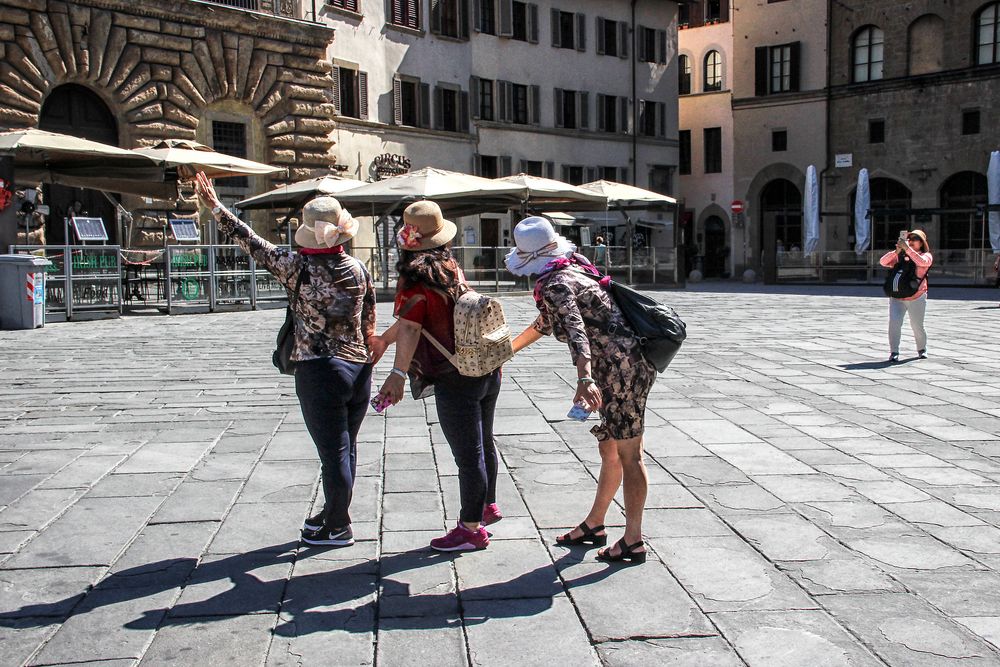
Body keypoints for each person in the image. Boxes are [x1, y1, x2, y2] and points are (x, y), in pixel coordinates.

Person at [194, 172, 375, 548]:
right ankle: (332, 513)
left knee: (333, 453)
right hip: (358, 367)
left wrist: (215, 207)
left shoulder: (297, 266)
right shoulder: (359, 269)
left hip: (319, 368)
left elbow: (251, 242)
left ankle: (339, 527)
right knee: (346, 448)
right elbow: (369, 319)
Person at [507, 217, 656, 565]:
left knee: (630, 455)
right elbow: (547, 323)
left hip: (621, 371)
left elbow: (576, 331)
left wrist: (584, 378)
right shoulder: (574, 267)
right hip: (624, 365)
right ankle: (595, 524)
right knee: (609, 449)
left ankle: (633, 540)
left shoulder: (556, 282)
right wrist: (506, 351)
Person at [370, 200, 502, 552]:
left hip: (452, 373)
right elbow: (416, 321)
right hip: (485, 364)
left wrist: (397, 374)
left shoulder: (415, 280)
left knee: (467, 453)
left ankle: (471, 529)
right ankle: (486, 505)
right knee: (483, 441)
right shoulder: (451, 267)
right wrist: (385, 338)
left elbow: (413, 327)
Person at [879, 229, 932, 362]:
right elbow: (883, 262)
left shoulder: (927, 255)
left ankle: (922, 349)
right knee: (894, 323)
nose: (911, 241)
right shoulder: (900, 255)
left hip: (917, 296)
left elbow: (922, 262)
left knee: (917, 325)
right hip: (898, 297)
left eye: (915, 239)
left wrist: (908, 250)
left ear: (922, 243)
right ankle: (894, 351)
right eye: (909, 238)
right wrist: (896, 251)